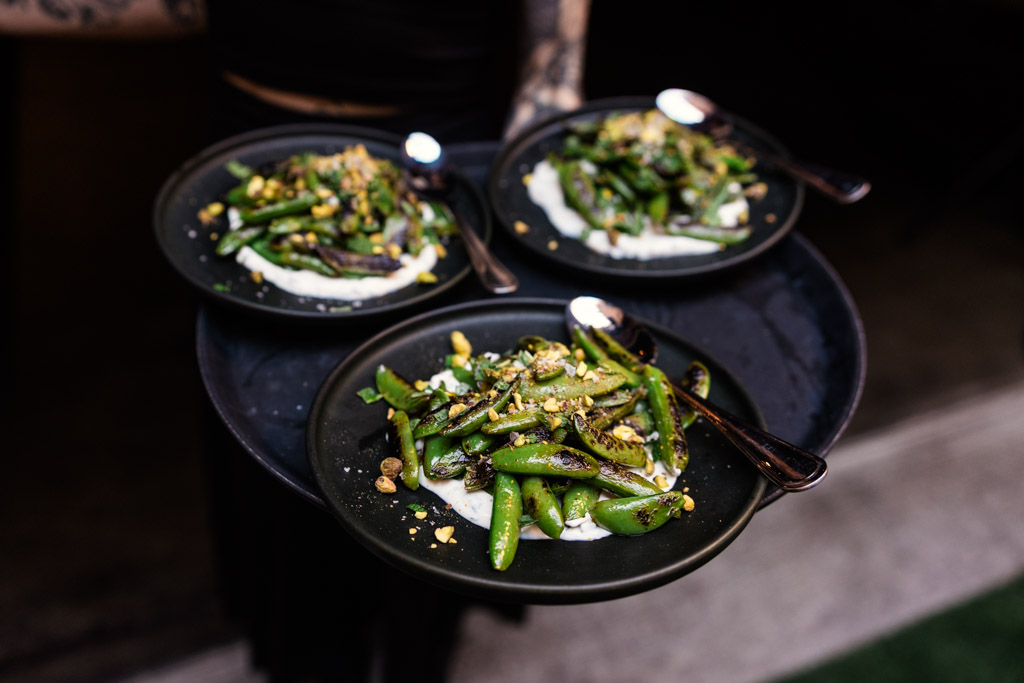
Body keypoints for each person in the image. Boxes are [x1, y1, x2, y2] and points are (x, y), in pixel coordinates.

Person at [2, 2, 592, 680]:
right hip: (256, 139)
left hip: (438, 142)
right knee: (269, 450)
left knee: (448, 434)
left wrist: (552, 77)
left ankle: (420, 652)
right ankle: (306, 656)